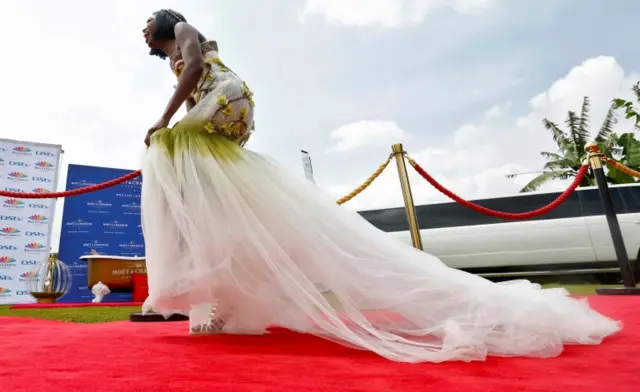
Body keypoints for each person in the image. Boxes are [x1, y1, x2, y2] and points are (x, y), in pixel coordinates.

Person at [140, 9, 621, 363]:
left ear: (164, 23)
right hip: (221, 117)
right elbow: (191, 90)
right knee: (207, 192)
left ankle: (209, 288)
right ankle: (223, 298)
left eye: (147, 22)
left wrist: (164, 120)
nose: (144, 30)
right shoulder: (171, 60)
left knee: (166, 150)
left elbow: (199, 68)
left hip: (227, 100)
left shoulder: (184, 29)